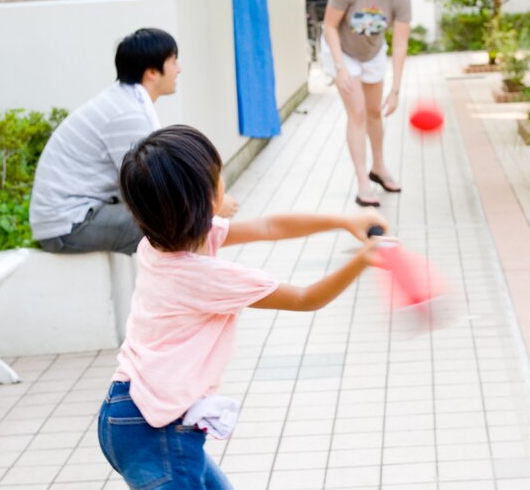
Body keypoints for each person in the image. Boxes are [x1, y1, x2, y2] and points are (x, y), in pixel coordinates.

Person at [97, 125, 387, 490]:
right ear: (206, 198)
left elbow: (269, 226)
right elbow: (305, 298)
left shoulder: (161, 242)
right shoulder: (203, 276)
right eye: (218, 176)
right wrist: (364, 259)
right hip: (157, 432)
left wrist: (344, 221)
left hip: (126, 410)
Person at [29, 28, 238, 255]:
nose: (179, 69)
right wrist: (210, 205)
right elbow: (150, 187)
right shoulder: (126, 115)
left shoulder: (124, 102)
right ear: (151, 72)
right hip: (69, 224)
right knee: (177, 225)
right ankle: (190, 288)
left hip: (79, 215)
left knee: (182, 220)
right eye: (173, 61)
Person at [322, 0, 411, 208]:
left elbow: (400, 42)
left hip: (372, 53)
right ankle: (363, 183)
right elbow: (329, 26)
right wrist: (339, 68)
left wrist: (395, 91)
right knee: (357, 112)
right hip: (342, 52)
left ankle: (379, 167)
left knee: (375, 112)